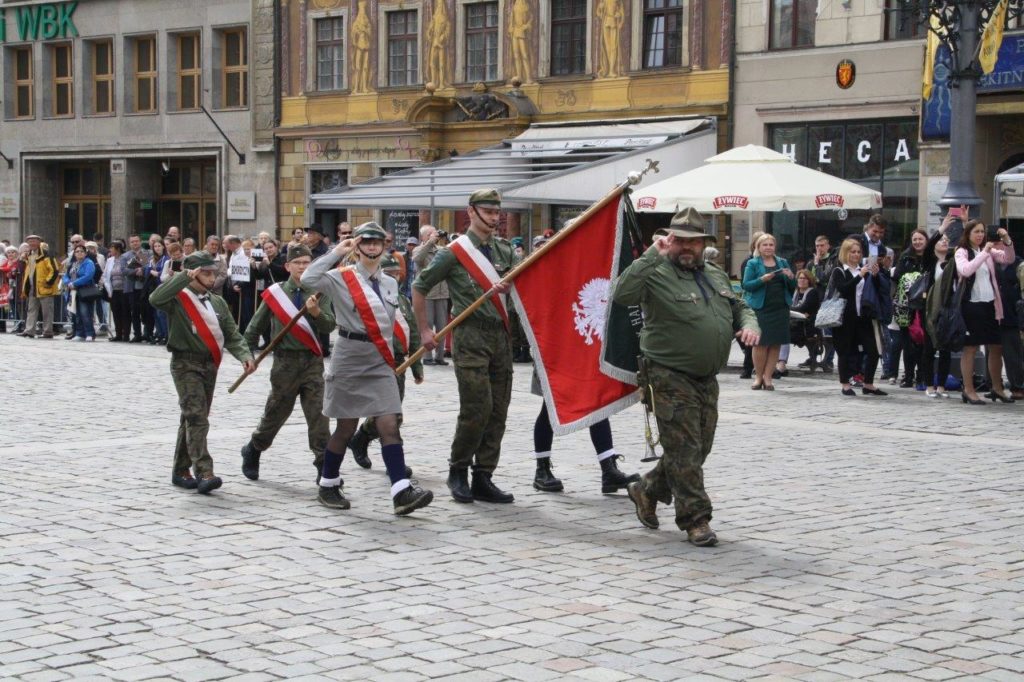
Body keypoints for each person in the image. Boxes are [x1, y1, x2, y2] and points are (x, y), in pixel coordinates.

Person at [615, 207, 760, 547]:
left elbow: (740, 306)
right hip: (667, 374)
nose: (686, 248)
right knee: (684, 450)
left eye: (693, 242)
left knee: (697, 449)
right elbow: (622, 294)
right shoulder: (654, 271)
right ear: (669, 240)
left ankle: (647, 488)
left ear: (704, 244)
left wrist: (749, 325)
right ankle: (696, 519)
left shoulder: (714, 273)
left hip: (705, 377)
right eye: (679, 240)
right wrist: (652, 254)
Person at [301, 222, 434, 515]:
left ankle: (401, 490)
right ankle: (328, 483)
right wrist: (337, 251)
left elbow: (396, 322)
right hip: (349, 356)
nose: (372, 247)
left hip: (378, 358)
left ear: (384, 247)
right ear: (358, 246)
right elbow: (309, 279)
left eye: (377, 243)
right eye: (367, 242)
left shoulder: (388, 282)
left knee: (389, 423)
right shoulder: (339, 277)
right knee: (346, 427)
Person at [412, 189, 518, 504]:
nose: (495, 218)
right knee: (477, 408)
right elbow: (419, 287)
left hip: (500, 336)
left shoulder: (504, 251)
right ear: (471, 212)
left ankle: (484, 475)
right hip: (470, 336)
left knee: (499, 409)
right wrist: (424, 330)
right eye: (488, 211)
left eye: (498, 212)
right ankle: (458, 469)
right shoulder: (453, 253)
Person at [149, 251, 256, 494]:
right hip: (185, 363)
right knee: (197, 416)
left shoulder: (216, 301)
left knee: (191, 416)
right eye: (205, 273)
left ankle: (180, 469)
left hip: (209, 365)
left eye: (213, 272)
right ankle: (204, 471)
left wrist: (245, 355)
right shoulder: (177, 297)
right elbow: (155, 299)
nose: (211, 277)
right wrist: (183, 278)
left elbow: (231, 333)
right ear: (194, 274)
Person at [240, 245, 337, 482]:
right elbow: (255, 326)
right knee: (276, 412)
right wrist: (246, 355)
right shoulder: (277, 293)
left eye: (307, 263)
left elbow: (329, 326)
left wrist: (315, 313)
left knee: (319, 415)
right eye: (298, 263)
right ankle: (254, 447)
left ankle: (323, 466)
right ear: (287, 266)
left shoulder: (319, 292)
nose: (303, 267)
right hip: (285, 362)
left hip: (312, 361)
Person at [348, 253, 425, 472]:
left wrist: (416, 366)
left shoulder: (403, 299)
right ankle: (394, 463)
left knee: (392, 412)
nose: (394, 277)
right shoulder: (372, 297)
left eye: (396, 273)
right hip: (379, 359)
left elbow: (412, 333)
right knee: (392, 414)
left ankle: (362, 437)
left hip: (399, 362)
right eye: (388, 273)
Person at [954, 221, 1015, 404]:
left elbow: (1008, 258)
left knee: (996, 346)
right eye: (976, 231)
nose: (980, 235)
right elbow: (965, 270)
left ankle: (997, 388)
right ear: (968, 233)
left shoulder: (987, 251)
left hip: (990, 305)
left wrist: (1007, 240)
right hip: (971, 306)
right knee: (971, 348)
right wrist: (984, 253)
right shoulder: (962, 251)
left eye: (982, 231)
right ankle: (969, 389)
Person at [829, 238, 887, 397]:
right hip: (845, 317)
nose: (856, 255)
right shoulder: (839, 270)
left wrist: (874, 275)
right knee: (844, 351)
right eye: (852, 252)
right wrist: (859, 276)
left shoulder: (864, 269)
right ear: (845, 253)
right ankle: (845, 384)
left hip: (863, 316)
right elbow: (844, 289)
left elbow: (874, 290)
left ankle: (868, 383)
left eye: (858, 252)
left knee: (873, 351)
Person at [742, 234, 795, 390]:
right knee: (760, 343)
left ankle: (768, 378)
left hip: (780, 308)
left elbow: (792, 288)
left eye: (771, 244)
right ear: (759, 247)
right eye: (765, 245)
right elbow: (746, 285)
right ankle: (758, 377)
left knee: (775, 344)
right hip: (761, 308)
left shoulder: (783, 262)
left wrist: (791, 277)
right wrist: (762, 280)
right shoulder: (752, 263)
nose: (768, 247)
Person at [920, 216, 955, 398]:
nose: (944, 242)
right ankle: (929, 385)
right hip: (929, 309)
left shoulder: (952, 261)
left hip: (947, 309)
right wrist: (941, 229)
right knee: (929, 348)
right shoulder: (929, 261)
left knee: (945, 348)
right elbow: (928, 245)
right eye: (941, 240)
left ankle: (941, 385)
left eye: (946, 240)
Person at [412, 226, 451, 366]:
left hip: (441, 294)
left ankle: (440, 356)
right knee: (426, 325)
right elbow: (417, 259)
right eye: (429, 234)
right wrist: (429, 243)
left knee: (442, 326)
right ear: (423, 237)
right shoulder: (419, 249)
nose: (433, 235)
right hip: (426, 295)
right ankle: (427, 356)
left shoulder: (441, 250)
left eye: (434, 233)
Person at [18, 235, 60, 339]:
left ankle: (47, 332)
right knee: (31, 309)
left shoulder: (47, 255)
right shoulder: (29, 255)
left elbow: (54, 269)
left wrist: (48, 282)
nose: (32, 243)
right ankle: (29, 330)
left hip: (45, 288)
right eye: (30, 241)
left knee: (47, 311)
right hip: (32, 287)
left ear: (39, 242)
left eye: (34, 241)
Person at [61, 244, 99, 341]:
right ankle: (79, 333)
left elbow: (88, 276)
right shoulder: (73, 264)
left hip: (85, 290)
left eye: (82, 251)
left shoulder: (89, 263)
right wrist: (68, 282)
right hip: (73, 292)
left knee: (85, 312)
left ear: (85, 253)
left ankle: (89, 333)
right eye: (77, 251)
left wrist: (75, 283)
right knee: (76, 313)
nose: (79, 253)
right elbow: (65, 276)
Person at [789, 269, 822, 369]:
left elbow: (803, 308)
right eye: (800, 278)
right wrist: (796, 310)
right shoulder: (795, 292)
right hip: (796, 322)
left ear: (809, 280)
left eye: (805, 278)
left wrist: (791, 309)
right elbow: (795, 308)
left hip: (809, 325)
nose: (802, 280)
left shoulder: (813, 292)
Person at [103, 240, 131, 342]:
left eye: (112, 248)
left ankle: (126, 334)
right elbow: (106, 276)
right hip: (114, 290)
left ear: (118, 249)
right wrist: (108, 289)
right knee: (116, 312)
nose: (110, 250)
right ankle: (118, 334)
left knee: (125, 312)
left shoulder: (125, 259)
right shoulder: (110, 260)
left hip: (124, 290)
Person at [145, 239, 169, 344]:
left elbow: (164, 273)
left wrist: (156, 273)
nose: (157, 248)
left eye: (159, 246)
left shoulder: (166, 259)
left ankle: (166, 334)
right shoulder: (152, 259)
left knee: (161, 312)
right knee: (155, 312)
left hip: (162, 287)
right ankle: (159, 333)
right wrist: (152, 271)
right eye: (155, 246)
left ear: (163, 247)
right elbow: (147, 271)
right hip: (153, 287)